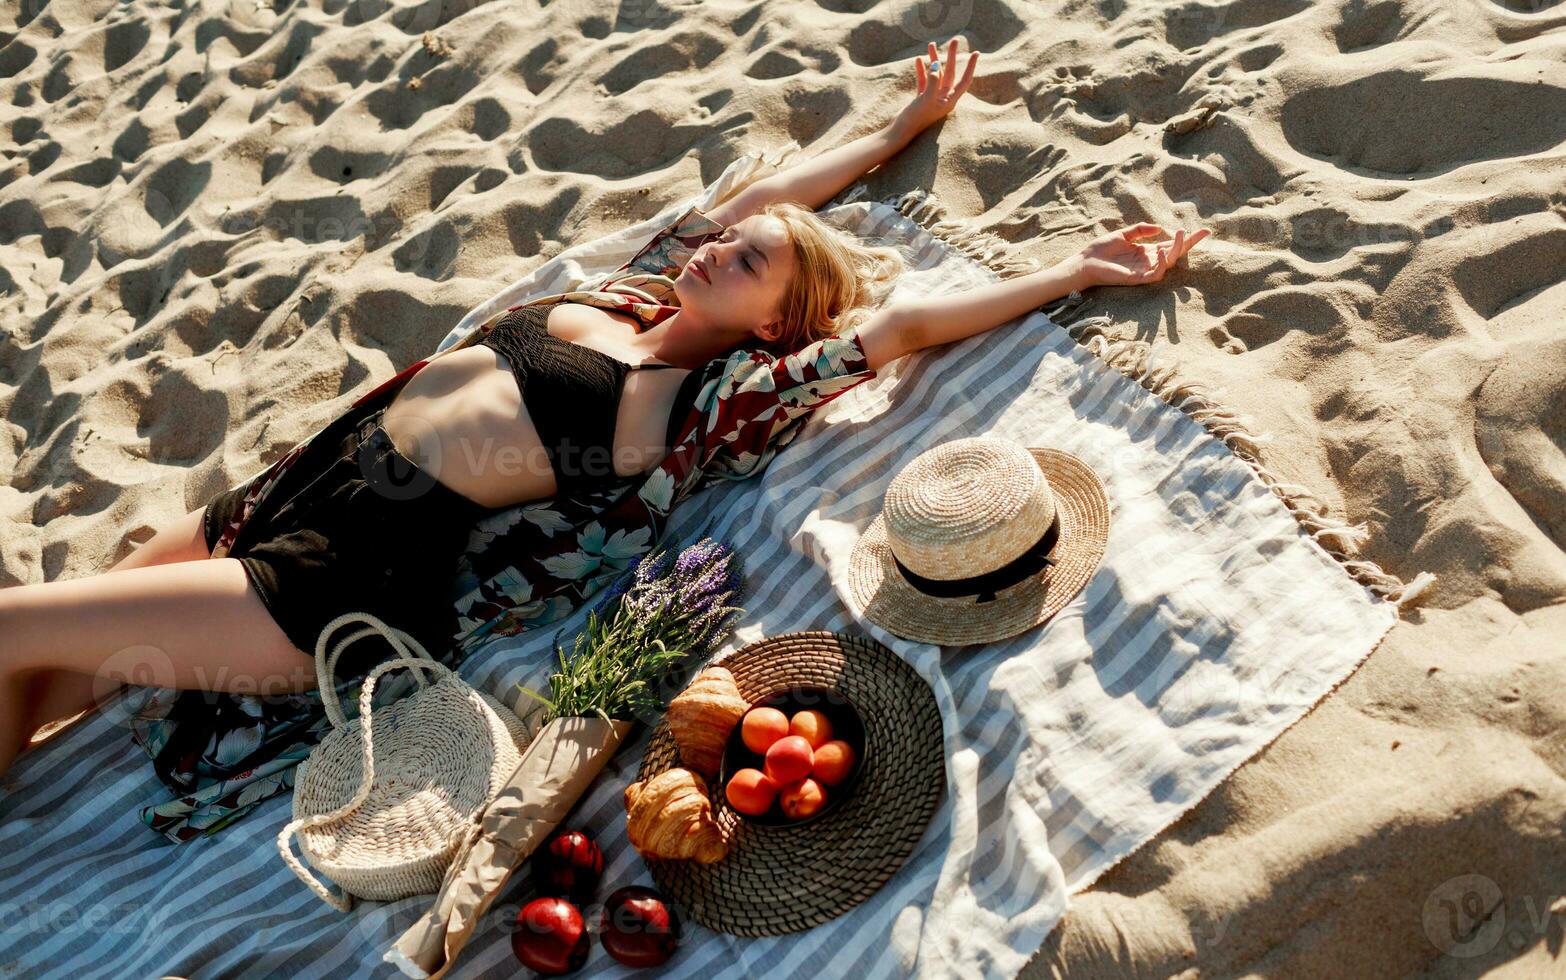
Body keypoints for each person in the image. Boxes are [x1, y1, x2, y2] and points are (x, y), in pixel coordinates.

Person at [0, 39, 1210, 838]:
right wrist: (899, 127)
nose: (713, 248)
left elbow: (894, 326)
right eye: (720, 241)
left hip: (321, 587)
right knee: (38, 678)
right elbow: (768, 200)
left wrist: (1071, 270)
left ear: (776, 322)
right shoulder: (634, 293)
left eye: (746, 264)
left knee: (13, 630)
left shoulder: (697, 408)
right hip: (277, 501)